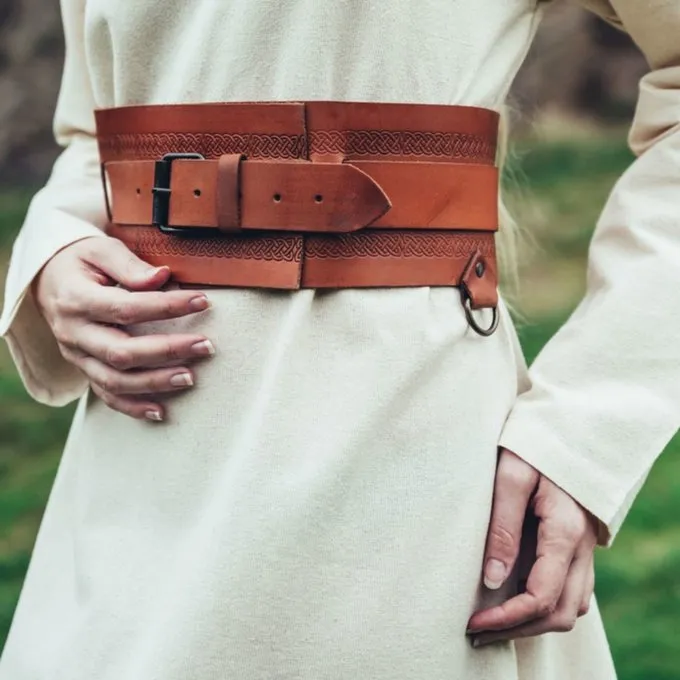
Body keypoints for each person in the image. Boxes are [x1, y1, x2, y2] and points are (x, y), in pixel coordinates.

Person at [0, 0, 678, 678]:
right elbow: (95, 130)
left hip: (397, 464)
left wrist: (587, 429)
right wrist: (57, 245)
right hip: (137, 464)